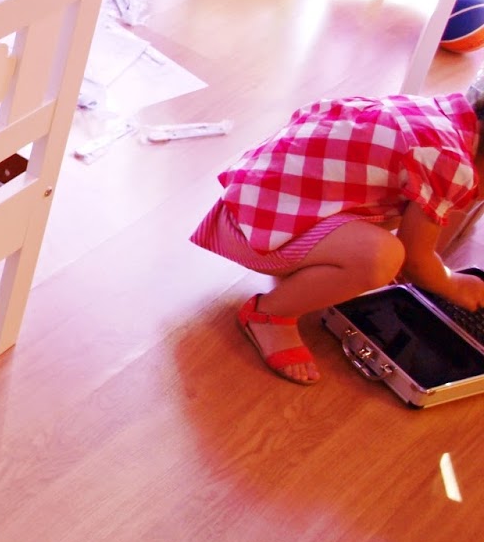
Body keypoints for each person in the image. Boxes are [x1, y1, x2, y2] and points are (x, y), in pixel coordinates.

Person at [190, 76, 484, 385]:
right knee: (382, 257)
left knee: (390, 214)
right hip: (251, 233)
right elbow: (416, 261)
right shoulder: (452, 165)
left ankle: (309, 271)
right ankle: (270, 315)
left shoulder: (444, 117)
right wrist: (453, 285)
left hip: (250, 203)